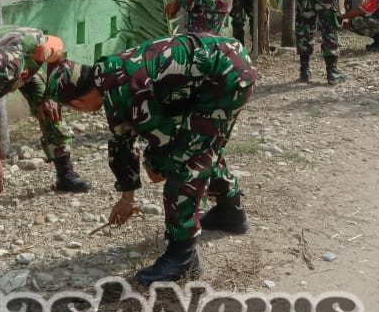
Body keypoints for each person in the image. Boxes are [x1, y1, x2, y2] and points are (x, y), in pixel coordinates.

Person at [47, 34, 256, 285]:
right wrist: (127, 197)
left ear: (78, 101)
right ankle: (229, 211)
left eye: (74, 108)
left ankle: (183, 257)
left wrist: (154, 164)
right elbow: (122, 140)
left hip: (226, 74)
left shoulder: (127, 88)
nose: (79, 111)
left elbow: (163, 139)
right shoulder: (107, 78)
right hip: (218, 67)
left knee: (186, 160)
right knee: (201, 145)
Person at [0, 26, 90, 222]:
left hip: (21, 54)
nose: (2, 97)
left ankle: (65, 174)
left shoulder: (40, 48)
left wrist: (50, 93)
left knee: (51, 111)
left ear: (23, 75)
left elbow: (58, 54)